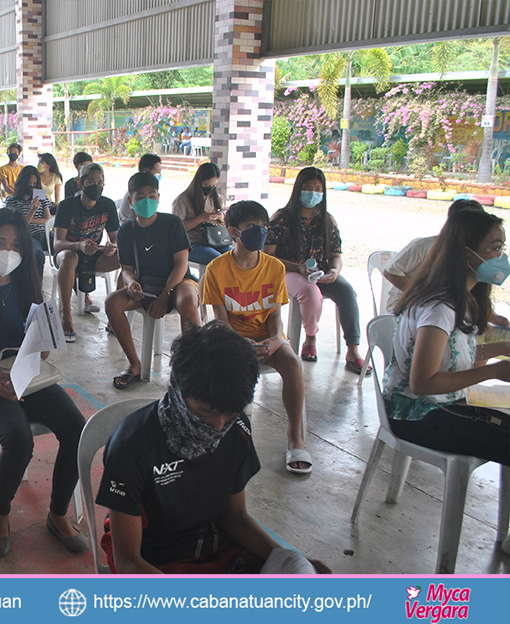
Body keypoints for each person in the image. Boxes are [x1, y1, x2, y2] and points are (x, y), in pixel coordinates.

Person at [96, 322, 331, 574]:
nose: (218, 427)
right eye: (205, 412)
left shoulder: (237, 429)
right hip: (154, 561)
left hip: (216, 549)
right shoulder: (132, 445)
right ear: (178, 388)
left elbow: (234, 517)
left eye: (228, 415)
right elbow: (128, 561)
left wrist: (288, 559)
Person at [0, 208, 89, 557]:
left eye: (15, 245)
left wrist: (42, 346)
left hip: (27, 377)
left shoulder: (31, 290)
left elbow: (41, 353)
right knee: (19, 439)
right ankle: (2, 512)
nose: (6, 251)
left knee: (76, 429)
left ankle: (57, 514)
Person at [384, 208, 509, 468]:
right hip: (420, 417)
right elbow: (423, 383)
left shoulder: (463, 297)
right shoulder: (440, 306)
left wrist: (503, 348)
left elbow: (450, 357)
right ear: (467, 254)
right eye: (496, 249)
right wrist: (494, 371)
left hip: (441, 406)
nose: (502, 257)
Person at [202, 200, 311, 473]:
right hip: (232, 339)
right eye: (252, 226)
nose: (260, 232)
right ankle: (228, 433)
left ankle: (295, 436)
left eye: (264, 226)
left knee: (293, 365)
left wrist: (276, 340)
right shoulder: (217, 269)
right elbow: (221, 320)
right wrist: (241, 343)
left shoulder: (274, 268)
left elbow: (275, 316)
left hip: (267, 338)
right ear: (233, 231)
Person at [264, 166, 368, 373]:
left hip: (320, 273)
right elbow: (268, 256)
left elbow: (335, 256)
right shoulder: (282, 218)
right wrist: (298, 268)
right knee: (310, 293)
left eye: (318, 188)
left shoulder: (327, 221)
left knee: (347, 291)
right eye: (308, 188)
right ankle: (310, 337)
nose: (313, 193)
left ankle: (353, 349)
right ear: (298, 189)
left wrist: (334, 272)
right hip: (288, 271)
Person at [106, 172, 201, 390]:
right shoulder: (127, 230)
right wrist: (131, 283)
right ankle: (134, 364)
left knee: (188, 301)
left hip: (177, 282)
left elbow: (181, 265)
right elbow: (127, 269)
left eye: (152, 195)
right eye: (140, 196)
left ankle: (193, 367)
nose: (147, 200)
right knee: (112, 302)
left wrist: (165, 294)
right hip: (147, 285)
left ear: (159, 197)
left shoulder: (172, 223)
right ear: (130, 201)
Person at [383, 199, 499, 316]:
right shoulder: (424, 245)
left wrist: (492, 317)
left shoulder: (475, 255)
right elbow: (391, 272)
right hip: (406, 305)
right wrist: (420, 296)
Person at [53, 163, 120, 341]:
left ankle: (115, 316)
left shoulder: (108, 205)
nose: (96, 186)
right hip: (69, 253)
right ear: (80, 184)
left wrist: (111, 248)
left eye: (100, 182)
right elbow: (58, 243)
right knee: (69, 257)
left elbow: (115, 238)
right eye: (91, 181)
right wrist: (79, 245)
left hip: (94, 253)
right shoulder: (67, 205)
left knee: (127, 258)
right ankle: (65, 314)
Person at [172, 162, 232, 264]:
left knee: (235, 257)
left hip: (216, 240)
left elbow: (225, 224)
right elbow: (176, 229)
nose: (210, 189)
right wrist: (201, 218)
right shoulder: (183, 200)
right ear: (198, 182)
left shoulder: (216, 198)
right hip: (193, 243)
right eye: (206, 185)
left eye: (214, 185)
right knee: (219, 261)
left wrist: (221, 218)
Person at [4, 165, 52, 277]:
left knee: (65, 251)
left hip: (44, 233)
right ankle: (36, 289)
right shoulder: (12, 201)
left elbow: (47, 220)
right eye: (29, 183)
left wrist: (31, 219)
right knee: (37, 255)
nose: (31, 186)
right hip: (28, 235)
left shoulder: (41, 198)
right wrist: (32, 210)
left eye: (34, 184)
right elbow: (20, 225)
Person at [118, 154, 163, 224]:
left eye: (152, 196)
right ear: (146, 171)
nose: (159, 174)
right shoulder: (135, 193)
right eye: (157, 171)